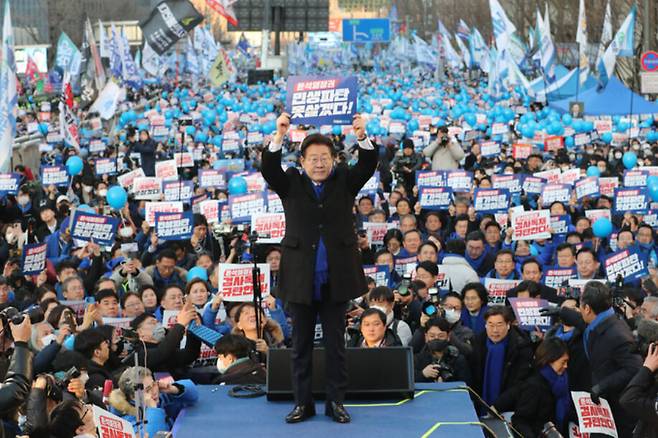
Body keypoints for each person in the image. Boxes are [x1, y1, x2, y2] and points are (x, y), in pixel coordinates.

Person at [261, 113, 377, 424]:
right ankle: (303, 403)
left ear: (335, 160)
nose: (319, 163)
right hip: (300, 279)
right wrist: (279, 135)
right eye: (313, 158)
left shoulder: (344, 182)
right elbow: (269, 168)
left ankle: (336, 402)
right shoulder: (291, 184)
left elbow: (367, 164)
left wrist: (361, 136)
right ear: (302, 160)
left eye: (325, 158)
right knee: (300, 347)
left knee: (336, 345)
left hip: (336, 279)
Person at [578, 281, 642, 437]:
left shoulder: (617, 334)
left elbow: (635, 368)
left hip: (617, 412)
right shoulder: (602, 321)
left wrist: (602, 386)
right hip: (602, 407)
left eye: (580, 306)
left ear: (587, 308)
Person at [470, 306, 533, 413]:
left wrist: (499, 406)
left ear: (508, 325)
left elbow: (520, 383)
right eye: (491, 324)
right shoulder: (478, 342)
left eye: (499, 325)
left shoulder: (521, 347)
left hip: (509, 408)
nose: (495, 330)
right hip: (479, 404)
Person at [109, 366, 198, 437]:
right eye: (147, 390)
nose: (154, 391)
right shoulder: (126, 420)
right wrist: (153, 409)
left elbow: (194, 396)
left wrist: (174, 389)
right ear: (133, 397)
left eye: (154, 384)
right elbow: (152, 435)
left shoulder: (160, 396)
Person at [512, 338, 573, 437]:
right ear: (550, 360)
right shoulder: (534, 386)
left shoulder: (563, 381)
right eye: (563, 362)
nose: (566, 366)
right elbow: (520, 420)